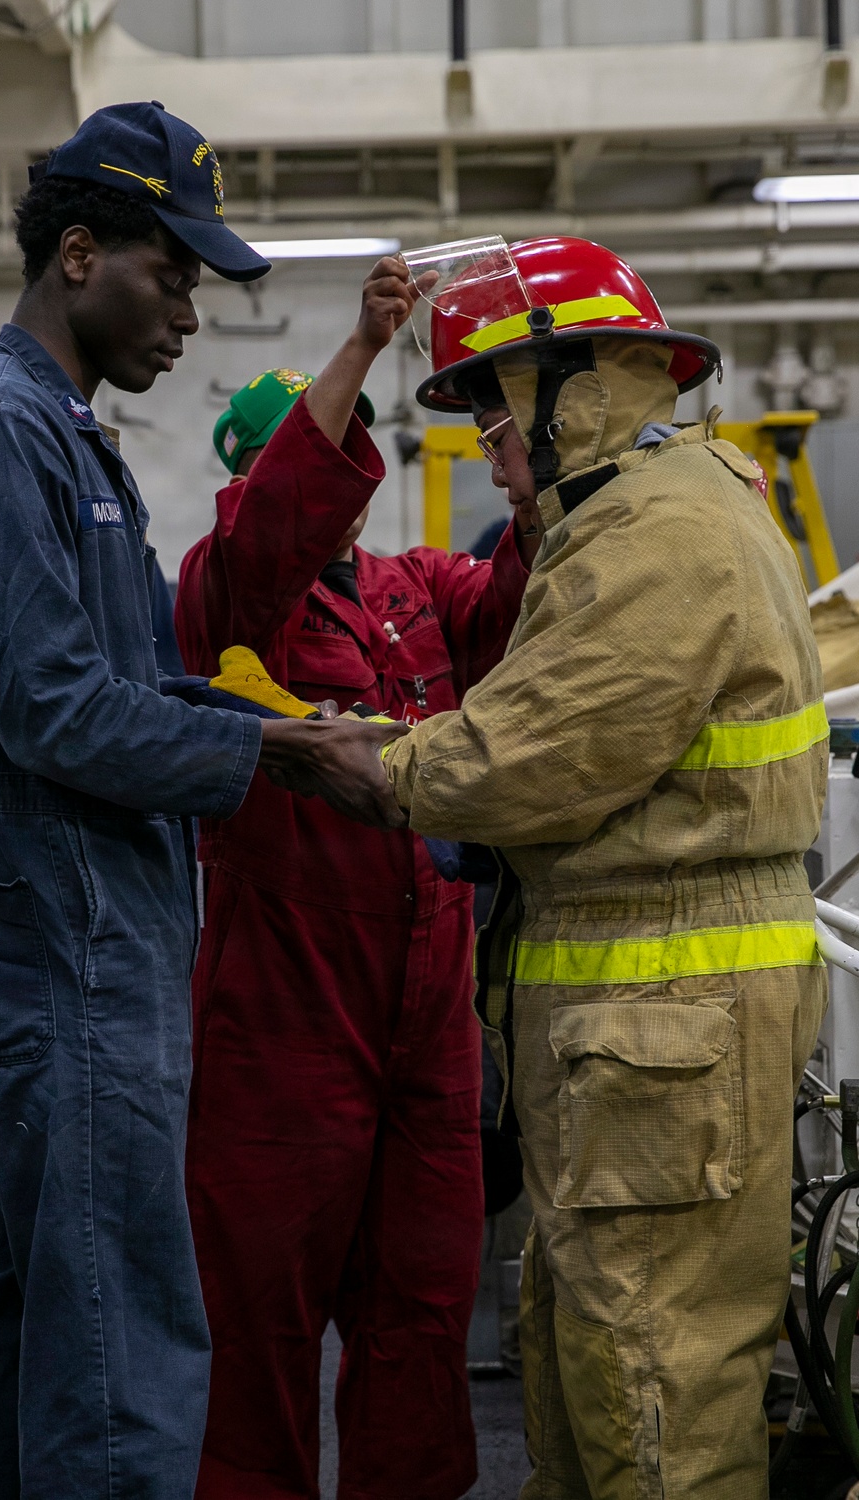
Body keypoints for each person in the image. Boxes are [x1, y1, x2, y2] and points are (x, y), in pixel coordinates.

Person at [0, 100, 400, 1500]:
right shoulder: (3, 433)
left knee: (35, 1319)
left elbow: (121, 680)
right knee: (116, 1345)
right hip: (63, 954)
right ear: (76, 255)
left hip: (65, 941)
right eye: (169, 270)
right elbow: (54, 714)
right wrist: (287, 760)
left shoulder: (62, 436)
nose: (189, 306)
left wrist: (269, 723)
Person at [379, 235, 828, 1499]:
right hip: (644, 1035)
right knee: (598, 1372)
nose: (482, 436)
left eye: (488, 400)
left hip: (662, 1026)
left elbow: (520, 758)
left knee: (652, 1394)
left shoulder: (652, 535)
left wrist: (370, 763)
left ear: (574, 386)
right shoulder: (659, 506)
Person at [174, 306, 535, 1500]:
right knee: (262, 1316)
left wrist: (540, 476)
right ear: (257, 473)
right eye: (318, 448)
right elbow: (275, 531)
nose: (351, 471)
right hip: (284, 1006)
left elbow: (517, 611)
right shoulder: (227, 600)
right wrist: (363, 344)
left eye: (356, 442)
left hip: (427, 1003)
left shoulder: (414, 588)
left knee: (424, 1305)